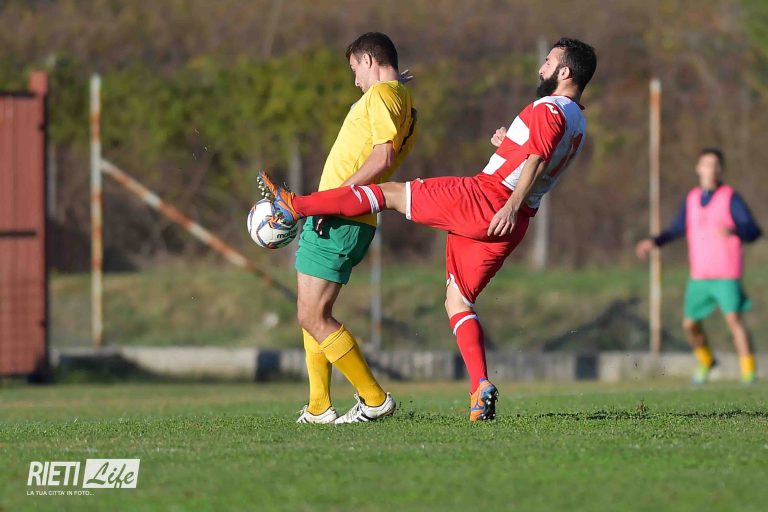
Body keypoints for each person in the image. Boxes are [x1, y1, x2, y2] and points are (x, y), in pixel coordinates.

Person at [259, 38, 597, 421]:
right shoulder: (577, 119)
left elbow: (537, 156)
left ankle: (295, 205)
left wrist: (510, 202)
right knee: (458, 301)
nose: (541, 68)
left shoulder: (549, 108)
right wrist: (508, 147)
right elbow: (537, 155)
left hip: (489, 199)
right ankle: (479, 387)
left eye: (548, 62)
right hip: (513, 221)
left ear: (564, 72)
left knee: (389, 194)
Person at [261, 32, 417, 424]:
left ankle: (374, 399)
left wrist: (338, 196)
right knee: (311, 312)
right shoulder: (400, 100)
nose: (355, 80)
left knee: (313, 316)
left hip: (342, 215)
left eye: (355, 69)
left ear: (369, 61)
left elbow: (382, 156)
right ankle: (319, 406)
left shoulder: (382, 96)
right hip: (345, 215)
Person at [636, 148, 761, 384]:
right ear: (698, 168)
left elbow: (753, 231)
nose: (710, 169)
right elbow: (676, 229)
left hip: (726, 273)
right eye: (706, 164)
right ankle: (706, 361)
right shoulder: (692, 199)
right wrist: (654, 242)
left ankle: (749, 371)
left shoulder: (730, 198)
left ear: (721, 170)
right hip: (700, 274)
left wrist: (735, 230)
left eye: (715, 165)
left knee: (734, 320)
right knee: (690, 324)